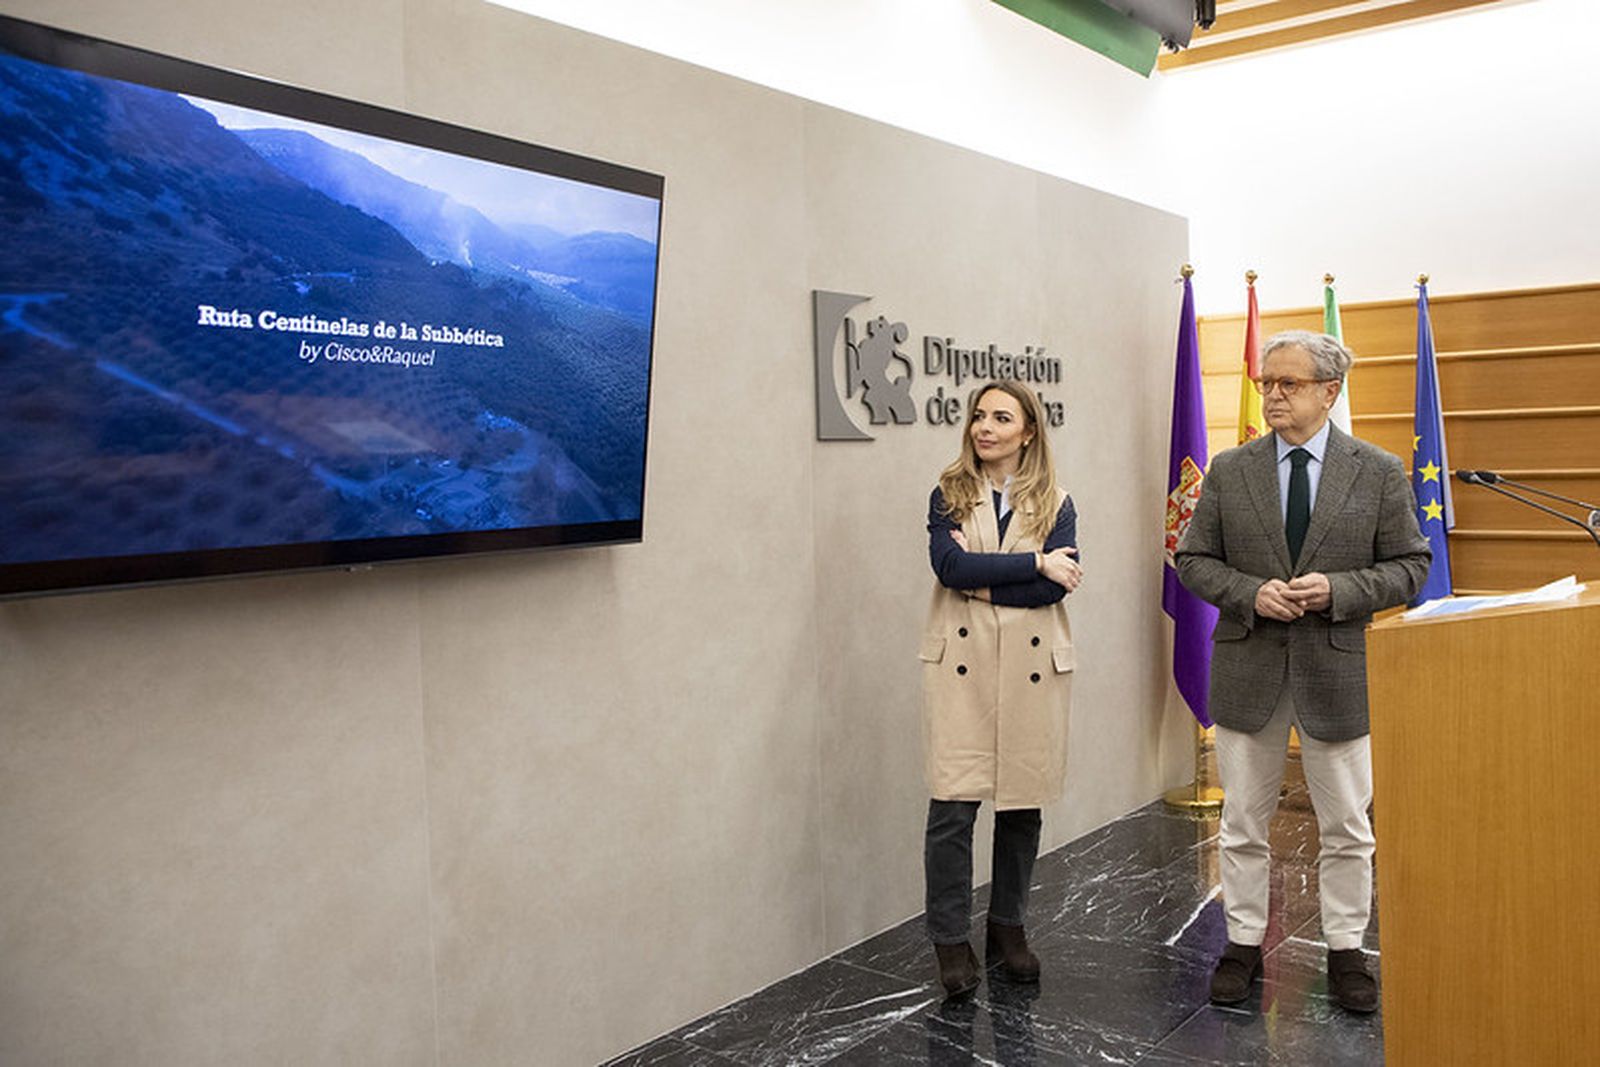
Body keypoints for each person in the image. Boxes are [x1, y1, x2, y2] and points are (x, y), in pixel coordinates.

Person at [1175, 330, 1431, 1014]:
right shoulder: (1231, 470)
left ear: (1329, 391)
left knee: (1347, 825)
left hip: (1336, 672)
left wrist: (1339, 591)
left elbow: (1411, 564)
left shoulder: (1376, 471)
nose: (1274, 395)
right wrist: (1250, 592)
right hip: (1249, 668)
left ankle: (1347, 950)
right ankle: (1241, 941)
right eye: (1267, 384)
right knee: (1242, 821)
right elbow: (1193, 560)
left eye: (1288, 384)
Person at [920, 380, 1082, 998]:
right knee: (952, 808)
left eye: (1001, 417)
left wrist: (993, 582)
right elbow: (949, 568)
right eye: (979, 416)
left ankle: (1007, 927)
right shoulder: (949, 492)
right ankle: (950, 939)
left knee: (1021, 805)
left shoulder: (1058, 502)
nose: (984, 427)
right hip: (960, 663)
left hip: (1030, 665)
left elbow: (1054, 590)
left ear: (1028, 431)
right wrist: (1036, 562)